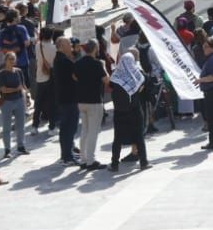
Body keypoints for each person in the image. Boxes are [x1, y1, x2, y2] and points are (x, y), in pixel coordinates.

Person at [108, 49, 150, 173]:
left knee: (117, 139)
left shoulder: (115, 77)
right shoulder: (138, 76)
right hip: (135, 111)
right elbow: (144, 83)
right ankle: (144, 162)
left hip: (119, 112)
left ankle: (114, 164)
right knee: (139, 137)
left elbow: (110, 86)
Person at [74, 40, 107, 168]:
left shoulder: (78, 63)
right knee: (93, 132)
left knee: (84, 131)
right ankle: (90, 160)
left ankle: (83, 159)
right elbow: (106, 80)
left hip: (81, 100)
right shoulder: (98, 64)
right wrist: (104, 68)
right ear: (95, 49)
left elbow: (74, 77)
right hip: (94, 101)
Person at [50, 35, 81, 165]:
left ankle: (67, 153)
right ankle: (67, 156)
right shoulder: (64, 61)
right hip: (69, 99)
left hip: (64, 98)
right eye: (69, 44)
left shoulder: (60, 59)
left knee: (67, 128)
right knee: (69, 127)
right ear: (62, 47)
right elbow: (76, 75)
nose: (71, 47)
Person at [0, 51, 28, 158]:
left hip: (19, 100)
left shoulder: (19, 71)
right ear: (5, 60)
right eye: (10, 59)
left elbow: (23, 86)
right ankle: (7, 149)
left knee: (21, 125)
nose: (12, 61)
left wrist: (26, 98)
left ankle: (21, 146)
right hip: (7, 102)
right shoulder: (1, 74)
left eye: (13, 59)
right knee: (6, 127)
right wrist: (15, 89)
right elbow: (3, 89)